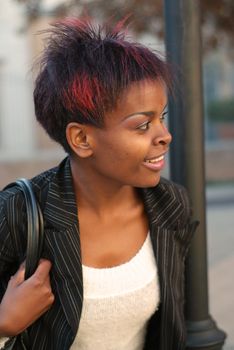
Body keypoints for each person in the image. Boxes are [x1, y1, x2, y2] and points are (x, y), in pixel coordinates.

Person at [0, 17, 198, 350]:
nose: (165, 136)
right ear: (81, 138)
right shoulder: (17, 213)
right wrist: (3, 323)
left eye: (161, 118)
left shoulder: (172, 205)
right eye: (141, 126)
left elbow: (176, 326)